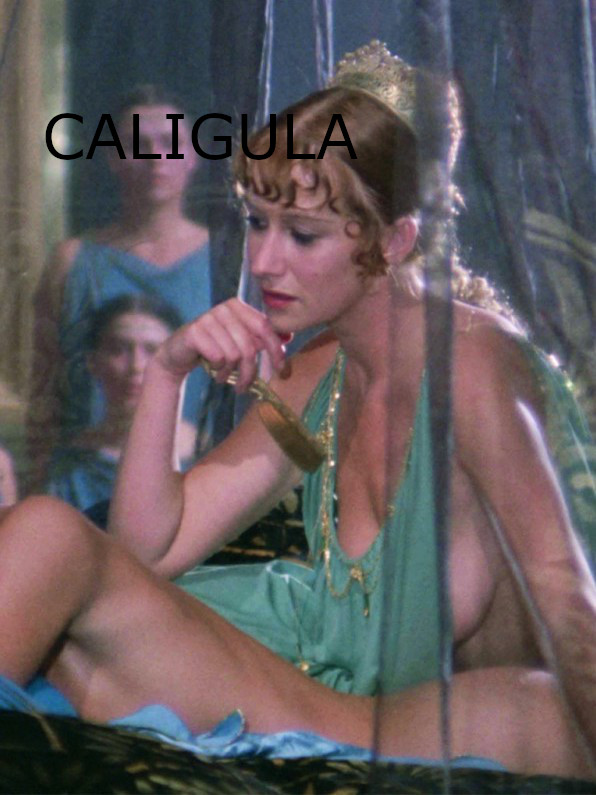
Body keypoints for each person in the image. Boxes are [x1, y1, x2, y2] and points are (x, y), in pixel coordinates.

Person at [1, 43, 595, 779]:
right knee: (50, 561)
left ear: (395, 240)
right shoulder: (318, 371)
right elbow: (149, 551)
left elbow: (565, 592)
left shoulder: (469, 361)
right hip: (299, 679)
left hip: (429, 718)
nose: (263, 262)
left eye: (302, 234)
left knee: (49, 541)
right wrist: (166, 372)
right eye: (257, 222)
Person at [26, 85, 213, 494]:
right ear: (114, 157)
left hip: (198, 482)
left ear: (194, 155)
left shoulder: (227, 262)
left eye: (170, 143)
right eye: (138, 145)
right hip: (85, 485)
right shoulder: (74, 263)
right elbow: (45, 394)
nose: (156, 158)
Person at [44, 294, 195, 514]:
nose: (136, 366)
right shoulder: (68, 466)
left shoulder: (206, 454)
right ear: (93, 362)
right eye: (118, 350)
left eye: (153, 351)